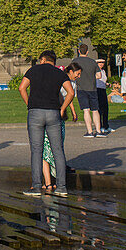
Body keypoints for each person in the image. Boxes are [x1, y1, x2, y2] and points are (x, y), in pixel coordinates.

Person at [18, 50, 75, 198]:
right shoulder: (59, 73)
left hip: (35, 112)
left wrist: (29, 103)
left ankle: (36, 187)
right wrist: (63, 108)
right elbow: (70, 92)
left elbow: (22, 88)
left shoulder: (33, 70)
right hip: (53, 112)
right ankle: (62, 186)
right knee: (58, 150)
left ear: (42, 59)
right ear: (53, 61)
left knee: (37, 150)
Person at [42, 62, 80, 193]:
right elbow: (61, 96)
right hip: (54, 112)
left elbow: (69, 98)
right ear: (70, 72)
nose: (78, 76)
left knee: (57, 145)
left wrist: (73, 111)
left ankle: (56, 175)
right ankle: (49, 181)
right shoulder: (59, 79)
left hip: (59, 113)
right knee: (47, 148)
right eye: (77, 73)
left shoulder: (72, 83)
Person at [70, 43, 101, 137]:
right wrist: (91, 77)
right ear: (87, 52)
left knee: (86, 110)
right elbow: (99, 75)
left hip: (81, 88)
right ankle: (99, 131)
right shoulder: (93, 62)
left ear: (79, 51)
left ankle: (90, 131)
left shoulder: (75, 61)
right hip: (92, 88)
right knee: (95, 110)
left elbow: (71, 74)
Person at [96, 59, 111, 133]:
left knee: (105, 108)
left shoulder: (103, 71)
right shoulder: (95, 71)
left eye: (102, 63)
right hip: (97, 90)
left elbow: (103, 81)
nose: (101, 64)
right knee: (99, 109)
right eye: (100, 63)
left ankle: (106, 125)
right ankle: (100, 126)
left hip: (103, 89)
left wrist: (107, 84)